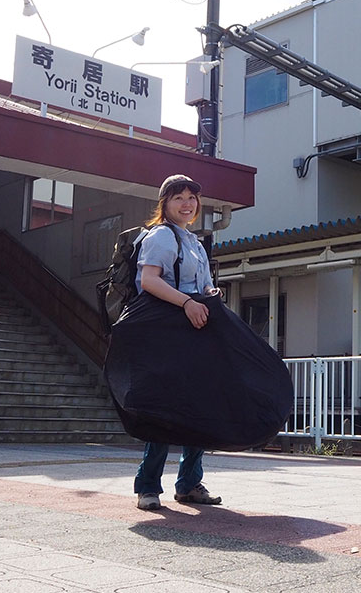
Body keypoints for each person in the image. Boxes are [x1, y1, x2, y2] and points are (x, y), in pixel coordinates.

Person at [132, 174, 223, 511]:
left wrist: (208, 297)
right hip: (165, 332)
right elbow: (149, 280)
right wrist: (186, 302)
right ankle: (148, 486)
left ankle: (188, 483)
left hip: (194, 332)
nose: (187, 203)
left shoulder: (194, 242)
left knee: (197, 407)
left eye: (192, 197)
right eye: (178, 197)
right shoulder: (161, 236)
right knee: (164, 407)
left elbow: (202, 287)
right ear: (165, 204)